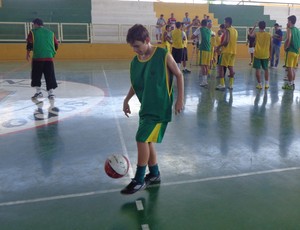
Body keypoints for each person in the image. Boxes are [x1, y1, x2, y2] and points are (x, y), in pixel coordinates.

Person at [121, 24, 184, 194]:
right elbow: (137, 84)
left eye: (137, 46)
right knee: (147, 141)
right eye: (132, 47)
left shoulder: (163, 55)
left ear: (147, 40)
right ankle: (154, 174)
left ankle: (139, 179)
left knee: (141, 138)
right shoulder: (136, 62)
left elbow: (179, 74)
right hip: (146, 108)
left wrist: (180, 100)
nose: (135, 50)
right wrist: (127, 100)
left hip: (159, 108)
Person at [26, 18, 58, 100]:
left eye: (33, 24)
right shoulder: (51, 33)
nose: (33, 26)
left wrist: (28, 54)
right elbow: (56, 45)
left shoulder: (33, 32)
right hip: (49, 58)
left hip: (38, 58)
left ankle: (38, 92)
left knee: (36, 75)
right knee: (49, 75)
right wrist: (50, 53)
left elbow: (30, 44)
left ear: (36, 24)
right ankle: (51, 94)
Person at [215, 17, 238, 90]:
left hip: (226, 51)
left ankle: (222, 84)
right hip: (233, 51)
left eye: (225, 22)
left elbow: (226, 41)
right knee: (231, 67)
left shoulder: (227, 30)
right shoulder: (235, 30)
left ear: (228, 23)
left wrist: (218, 47)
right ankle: (231, 85)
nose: (224, 24)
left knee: (221, 67)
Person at [249, 21, 271, 90]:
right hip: (265, 54)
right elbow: (271, 46)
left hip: (258, 54)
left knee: (257, 70)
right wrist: (270, 54)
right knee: (266, 69)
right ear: (265, 26)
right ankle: (267, 84)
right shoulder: (269, 35)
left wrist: (254, 26)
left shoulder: (256, 34)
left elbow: (250, 34)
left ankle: (260, 84)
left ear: (259, 26)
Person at [282, 15, 300, 90]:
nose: (287, 22)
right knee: (293, 68)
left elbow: (289, 39)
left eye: (288, 21)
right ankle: (292, 84)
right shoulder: (297, 30)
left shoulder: (290, 29)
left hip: (291, 51)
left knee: (289, 68)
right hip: (297, 52)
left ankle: (289, 85)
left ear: (290, 21)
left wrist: (286, 47)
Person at [191, 19, 211, 87]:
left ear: (201, 24)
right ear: (206, 24)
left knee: (203, 66)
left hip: (202, 49)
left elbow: (192, 37)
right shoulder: (209, 30)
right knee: (206, 66)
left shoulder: (199, 29)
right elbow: (213, 35)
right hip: (208, 49)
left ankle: (204, 81)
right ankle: (205, 80)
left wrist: (197, 37)